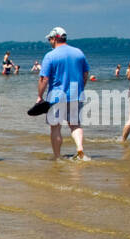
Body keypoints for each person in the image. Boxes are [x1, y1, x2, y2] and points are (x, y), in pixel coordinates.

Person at [37, 26, 90, 160]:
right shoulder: (79, 53)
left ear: (55, 38)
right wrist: (81, 88)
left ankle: (57, 157)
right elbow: (85, 74)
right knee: (75, 125)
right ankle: (80, 149)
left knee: (55, 127)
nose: (49, 41)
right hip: (75, 94)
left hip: (56, 96)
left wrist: (39, 96)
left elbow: (44, 79)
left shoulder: (50, 55)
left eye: (50, 39)